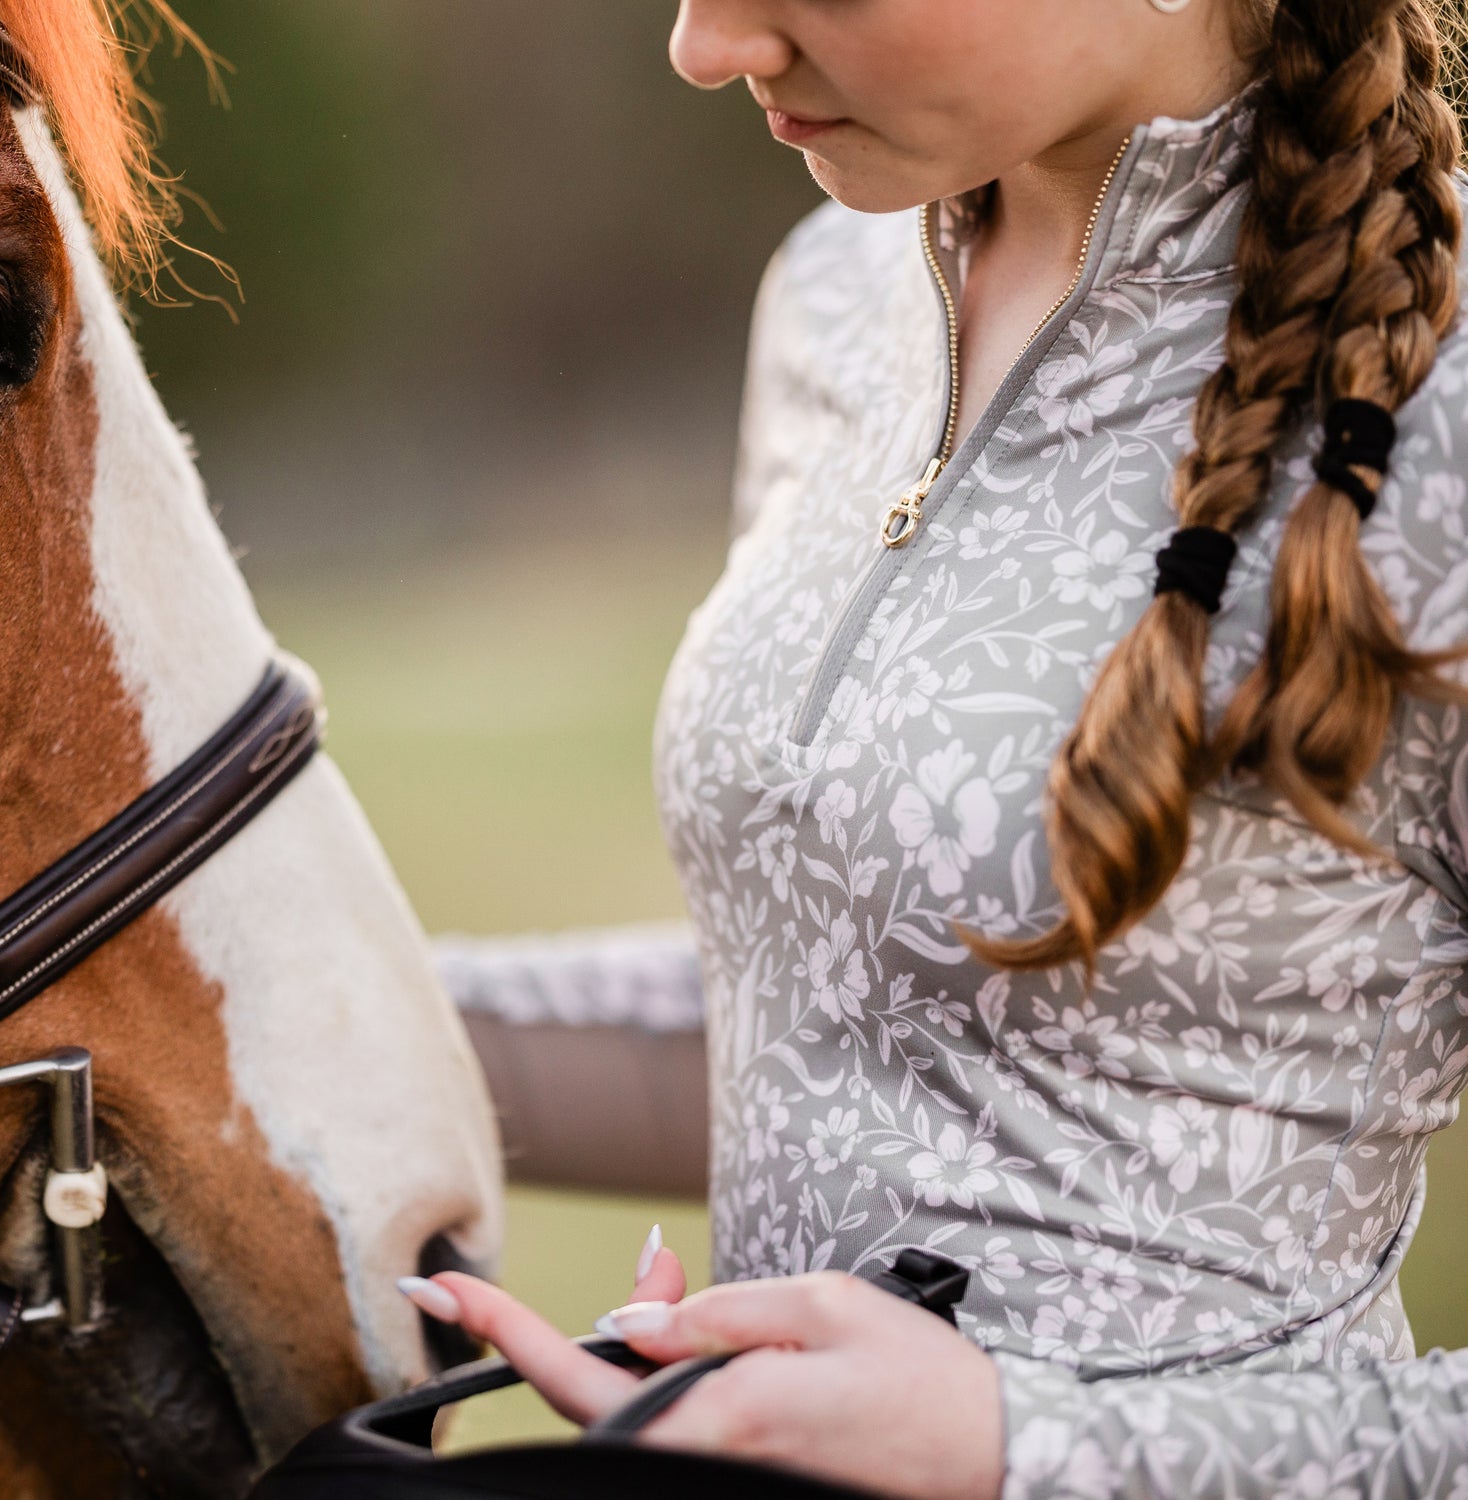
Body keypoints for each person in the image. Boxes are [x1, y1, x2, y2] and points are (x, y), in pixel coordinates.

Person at [403, 0, 1468, 1494]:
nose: (706, 46)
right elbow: (859, 1012)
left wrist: (1019, 1448)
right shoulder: (837, 294)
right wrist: (252, 1021)